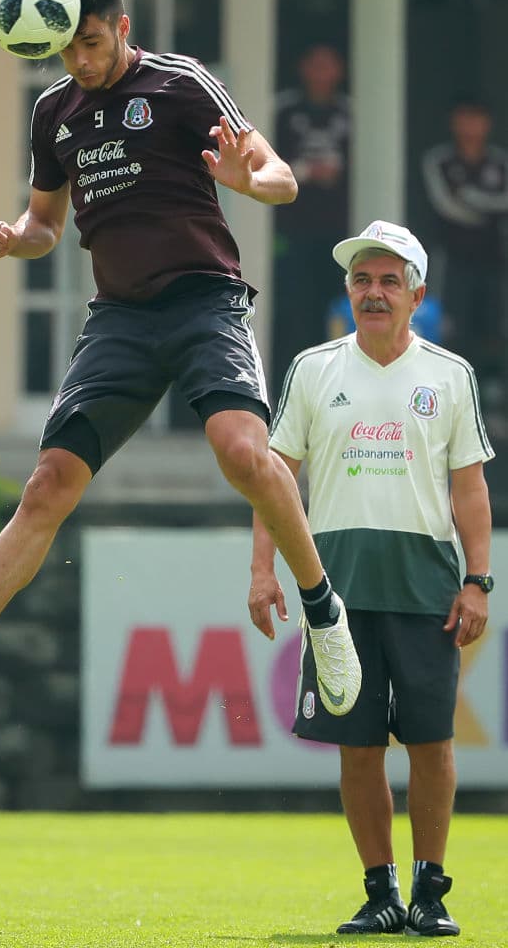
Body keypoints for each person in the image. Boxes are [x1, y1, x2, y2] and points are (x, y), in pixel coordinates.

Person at [0, 0, 360, 720]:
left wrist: (244, 180)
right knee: (46, 485)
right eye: (66, 50)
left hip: (204, 303)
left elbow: (282, 177)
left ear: (122, 29)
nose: (80, 62)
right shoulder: (53, 112)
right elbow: (45, 226)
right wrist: (14, 238)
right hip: (120, 320)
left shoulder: (181, 83)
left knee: (240, 453)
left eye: (91, 44)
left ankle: (324, 614)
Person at [249, 220, 494, 937]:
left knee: (431, 745)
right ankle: (378, 891)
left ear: (416, 293)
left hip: (424, 589)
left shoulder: (448, 376)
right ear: (347, 290)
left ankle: (429, 891)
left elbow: (470, 489)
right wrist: (263, 569)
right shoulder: (313, 369)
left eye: (389, 280)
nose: (373, 293)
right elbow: (273, 479)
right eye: (362, 279)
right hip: (336, 599)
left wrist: (477, 579)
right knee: (356, 749)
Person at [272, 44, 351, 392]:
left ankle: (332, 392)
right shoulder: (282, 110)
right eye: (315, 64)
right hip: (290, 231)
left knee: (334, 313)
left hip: (339, 234)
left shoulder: (351, 113)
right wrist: (306, 171)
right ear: (303, 68)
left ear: (340, 70)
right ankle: (286, 391)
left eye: (328, 64)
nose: (321, 72)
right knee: (293, 313)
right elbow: (262, 159)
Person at [421, 98, 508, 406]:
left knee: (493, 326)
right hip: (452, 260)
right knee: (452, 327)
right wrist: (487, 205)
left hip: (494, 260)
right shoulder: (439, 160)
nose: (471, 127)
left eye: (478, 119)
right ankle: (449, 395)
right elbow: (448, 206)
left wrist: (472, 197)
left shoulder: (500, 162)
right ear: (453, 122)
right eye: (465, 119)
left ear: (489, 124)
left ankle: (492, 396)